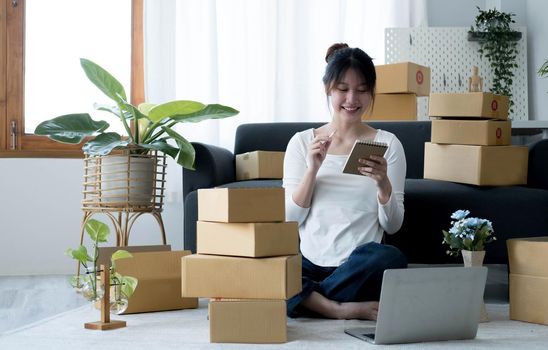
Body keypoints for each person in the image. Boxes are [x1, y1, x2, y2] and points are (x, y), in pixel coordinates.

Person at [283, 43, 407, 321]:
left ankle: (307, 300)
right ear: (329, 89)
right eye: (343, 88)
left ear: (371, 92)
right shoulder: (302, 142)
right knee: (271, 268)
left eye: (362, 90)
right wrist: (312, 170)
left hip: (358, 265)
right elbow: (291, 218)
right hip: (310, 263)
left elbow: (393, 225)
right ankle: (339, 308)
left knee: (390, 259)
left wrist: (383, 185)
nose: (352, 99)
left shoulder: (388, 143)